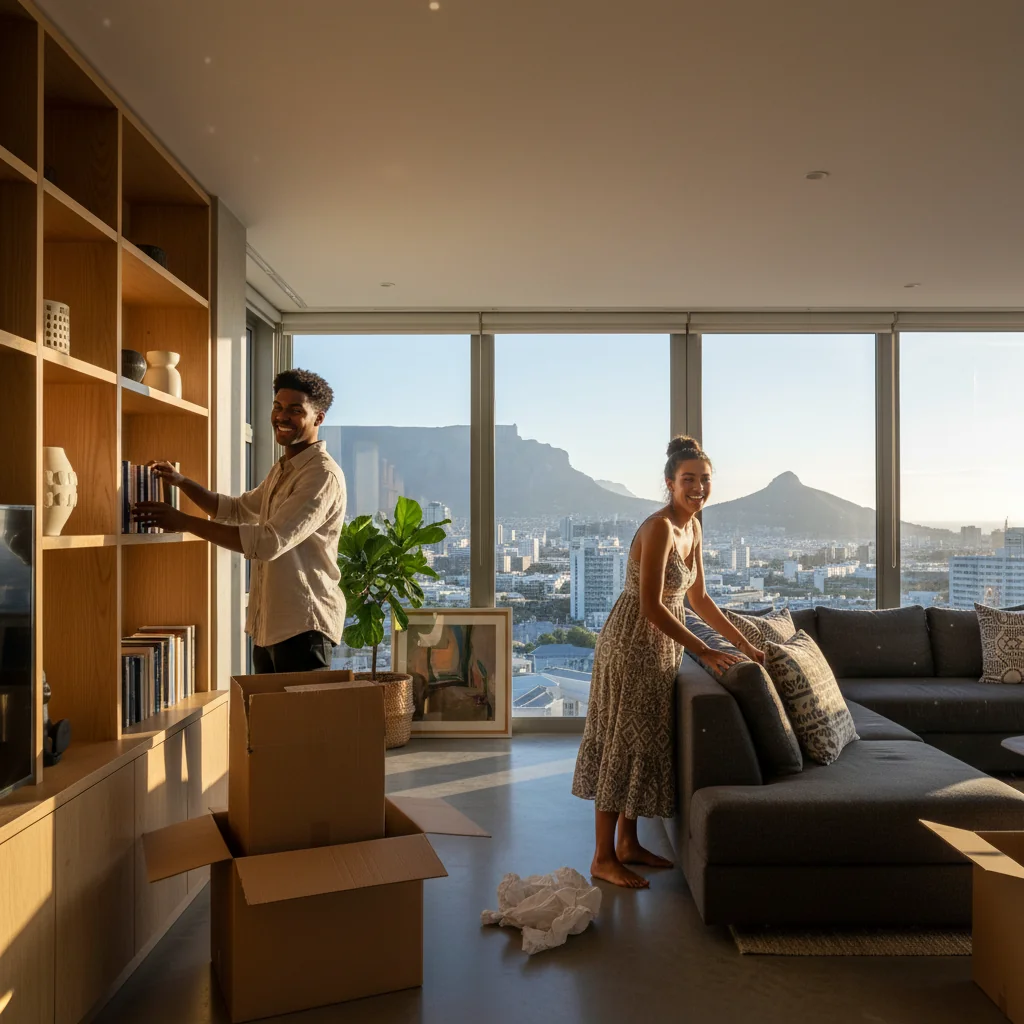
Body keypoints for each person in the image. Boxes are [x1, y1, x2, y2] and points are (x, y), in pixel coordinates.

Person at [571, 435, 766, 888]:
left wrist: (743, 643)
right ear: (669, 482)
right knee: (621, 741)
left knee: (642, 741)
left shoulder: (694, 527)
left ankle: (628, 843)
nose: (698, 488)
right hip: (632, 643)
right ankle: (602, 857)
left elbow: (698, 597)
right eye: (688, 480)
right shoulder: (659, 527)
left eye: (704, 480)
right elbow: (652, 606)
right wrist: (704, 649)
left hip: (661, 645)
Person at [132, 368, 347, 674]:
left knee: (298, 722)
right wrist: (181, 481)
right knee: (267, 722)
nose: (282, 416)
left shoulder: (321, 475)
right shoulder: (284, 469)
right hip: (268, 628)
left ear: (318, 419)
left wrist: (184, 522)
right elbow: (235, 509)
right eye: (278, 407)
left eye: (295, 410)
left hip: (303, 628)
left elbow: (269, 542)